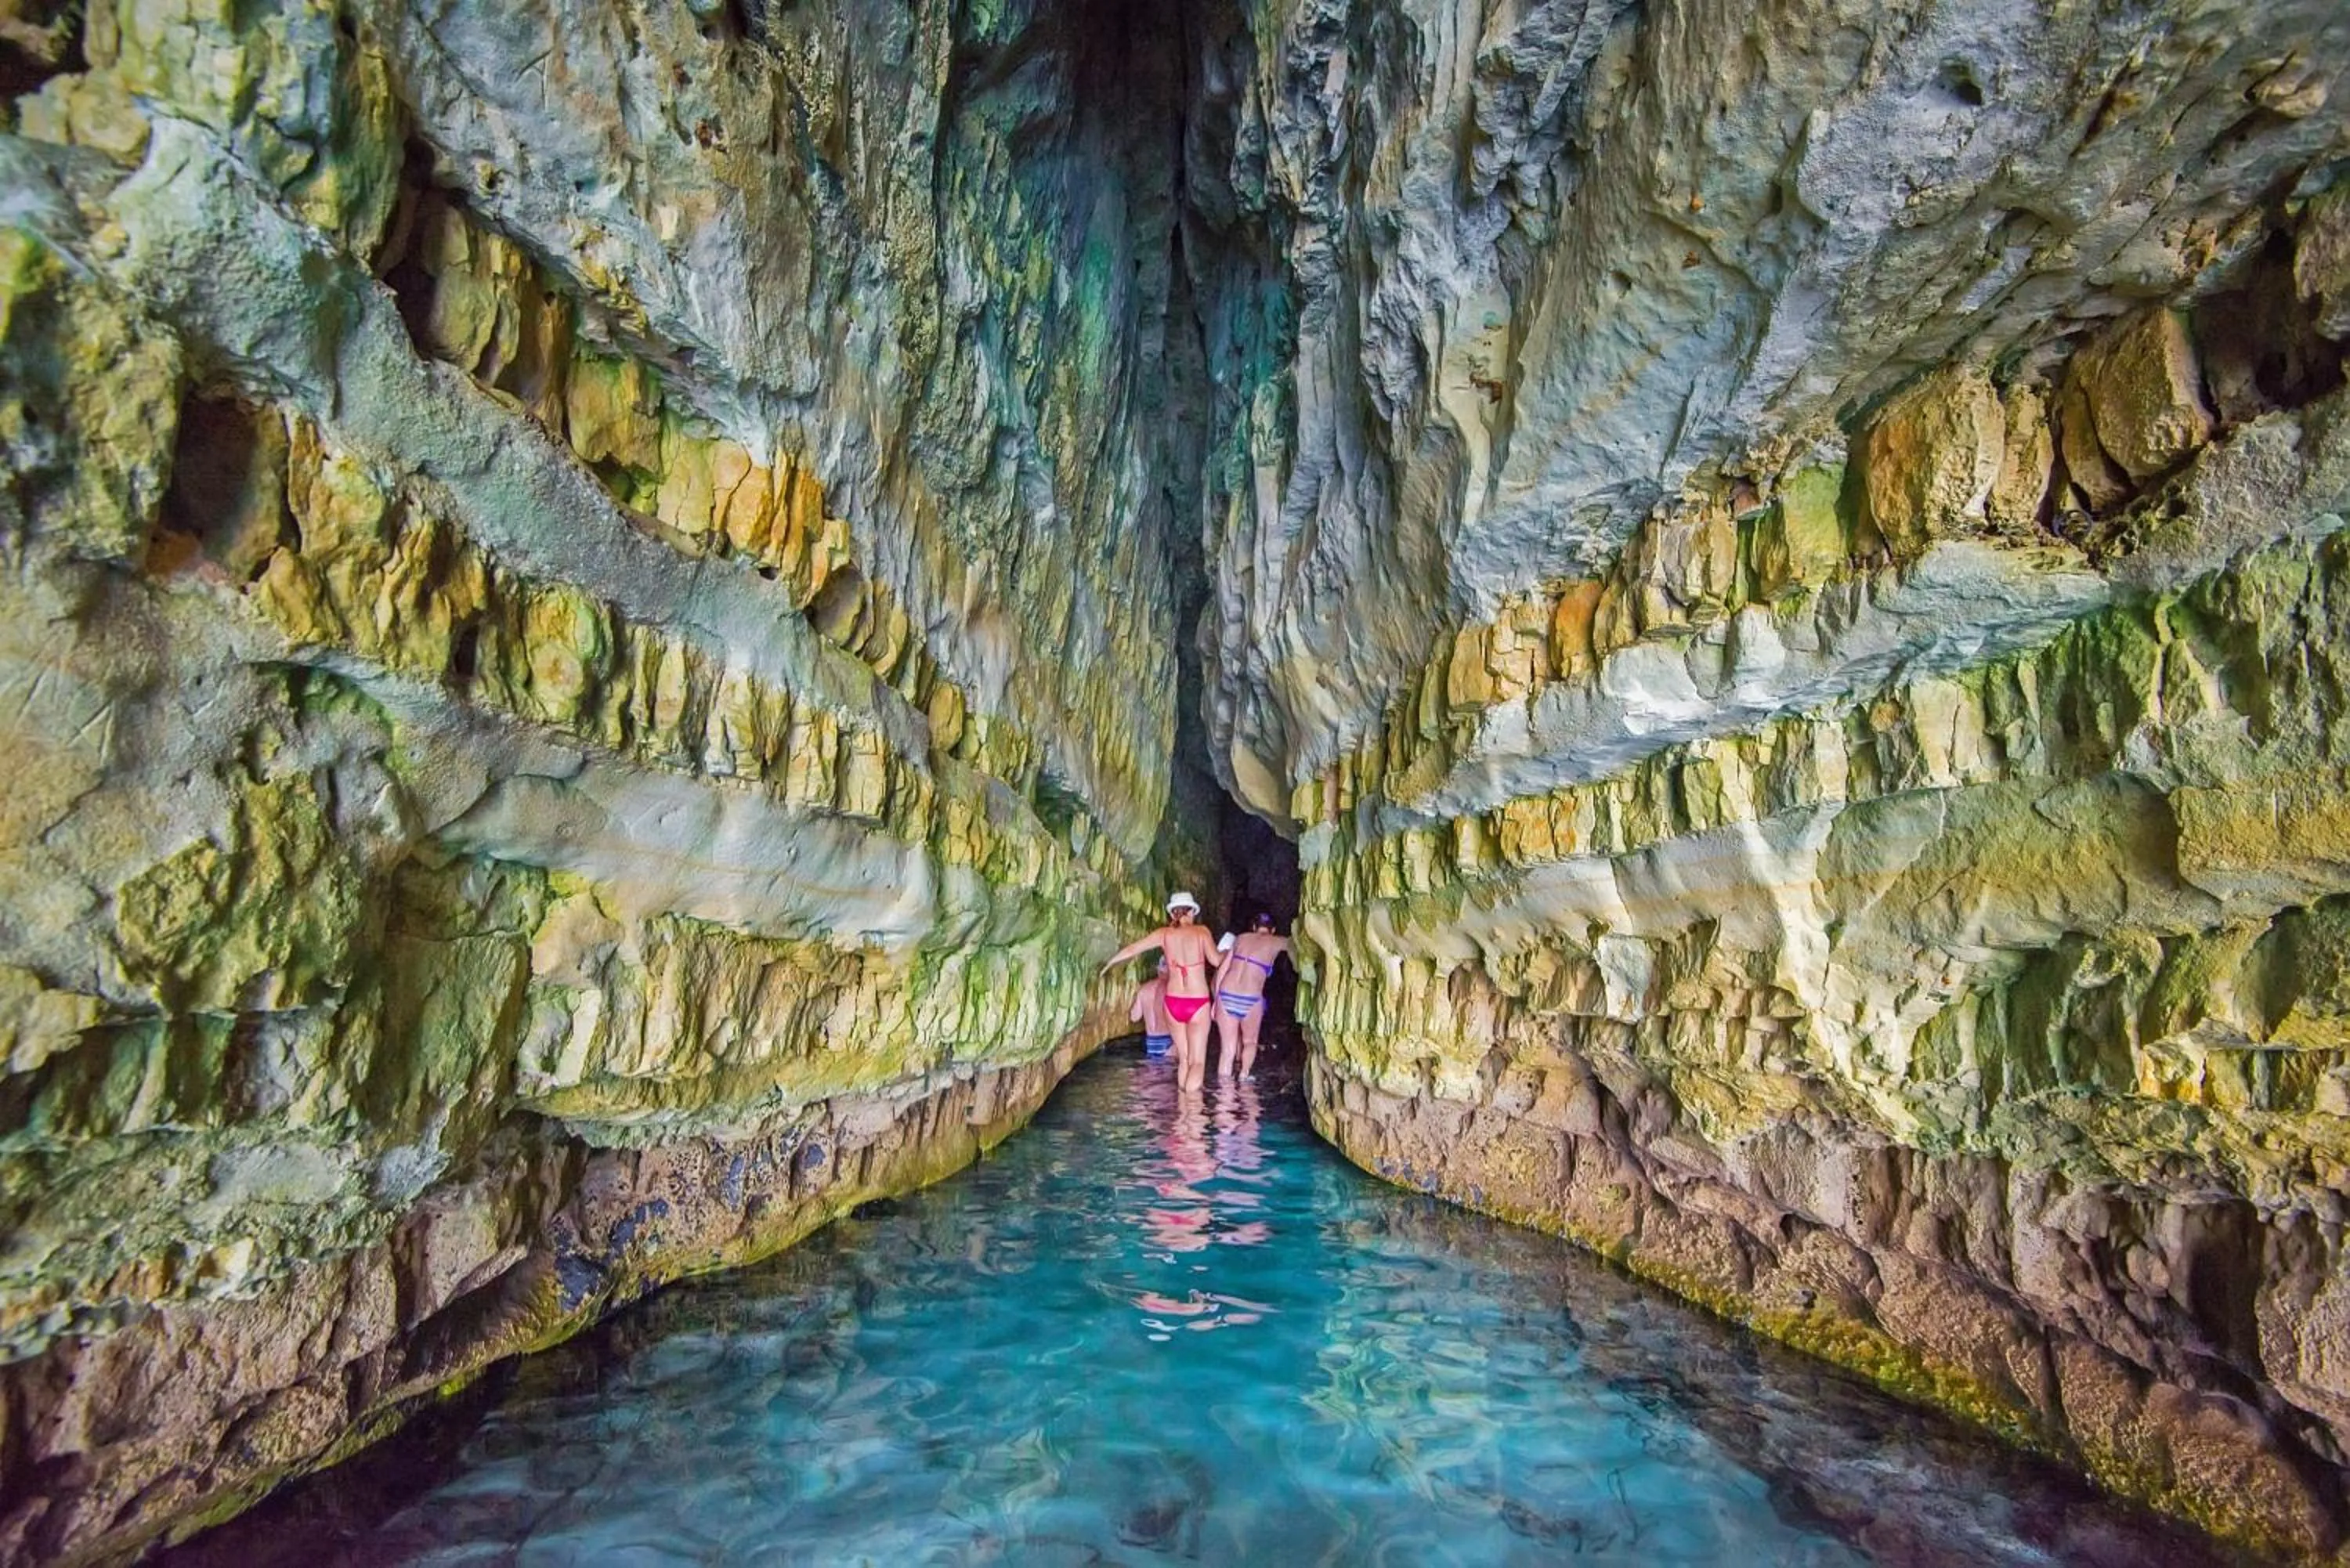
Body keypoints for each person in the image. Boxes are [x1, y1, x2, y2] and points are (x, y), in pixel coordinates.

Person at [1101, 891, 1220, 1093]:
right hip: (1197, 1001)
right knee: (1197, 1062)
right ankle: (1192, 1111)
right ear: (1191, 912)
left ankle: (1183, 1113)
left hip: (1173, 1003)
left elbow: (1133, 949)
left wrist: (1109, 964)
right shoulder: (1202, 932)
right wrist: (1231, 953)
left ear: (1172, 914)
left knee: (1184, 1059)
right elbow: (1216, 961)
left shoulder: (1164, 934)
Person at [1213, 912, 1291, 1082]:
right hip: (1250, 998)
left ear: (1254, 927)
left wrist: (1215, 1000)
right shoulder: (1277, 941)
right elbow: (1298, 945)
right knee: (1250, 1042)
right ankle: (1244, 1075)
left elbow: (1223, 969)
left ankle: (1223, 1102)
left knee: (1227, 1051)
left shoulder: (1240, 938)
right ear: (1273, 930)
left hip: (1226, 994)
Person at [1130, 958, 1173, 1059]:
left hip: (1151, 1042)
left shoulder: (1144, 989)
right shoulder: (1172, 989)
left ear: (1158, 970)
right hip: (1169, 1042)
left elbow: (1134, 1017)